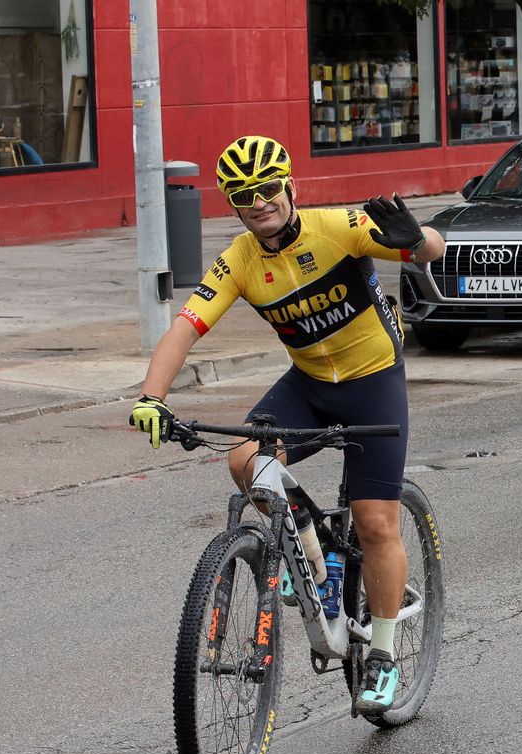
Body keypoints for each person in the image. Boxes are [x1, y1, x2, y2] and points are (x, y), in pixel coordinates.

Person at [128, 135, 446, 715]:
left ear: (290, 186)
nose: (260, 202)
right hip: (308, 383)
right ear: (232, 203)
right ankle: (317, 557)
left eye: (269, 189)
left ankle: (381, 654)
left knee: (376, 523)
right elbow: (185, 326)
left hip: (373, 381)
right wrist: (151, 397)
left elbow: (434, 250)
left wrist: (417, 238)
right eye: (244, 195)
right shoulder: (240, 261)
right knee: (244, 458)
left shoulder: (338, 227)